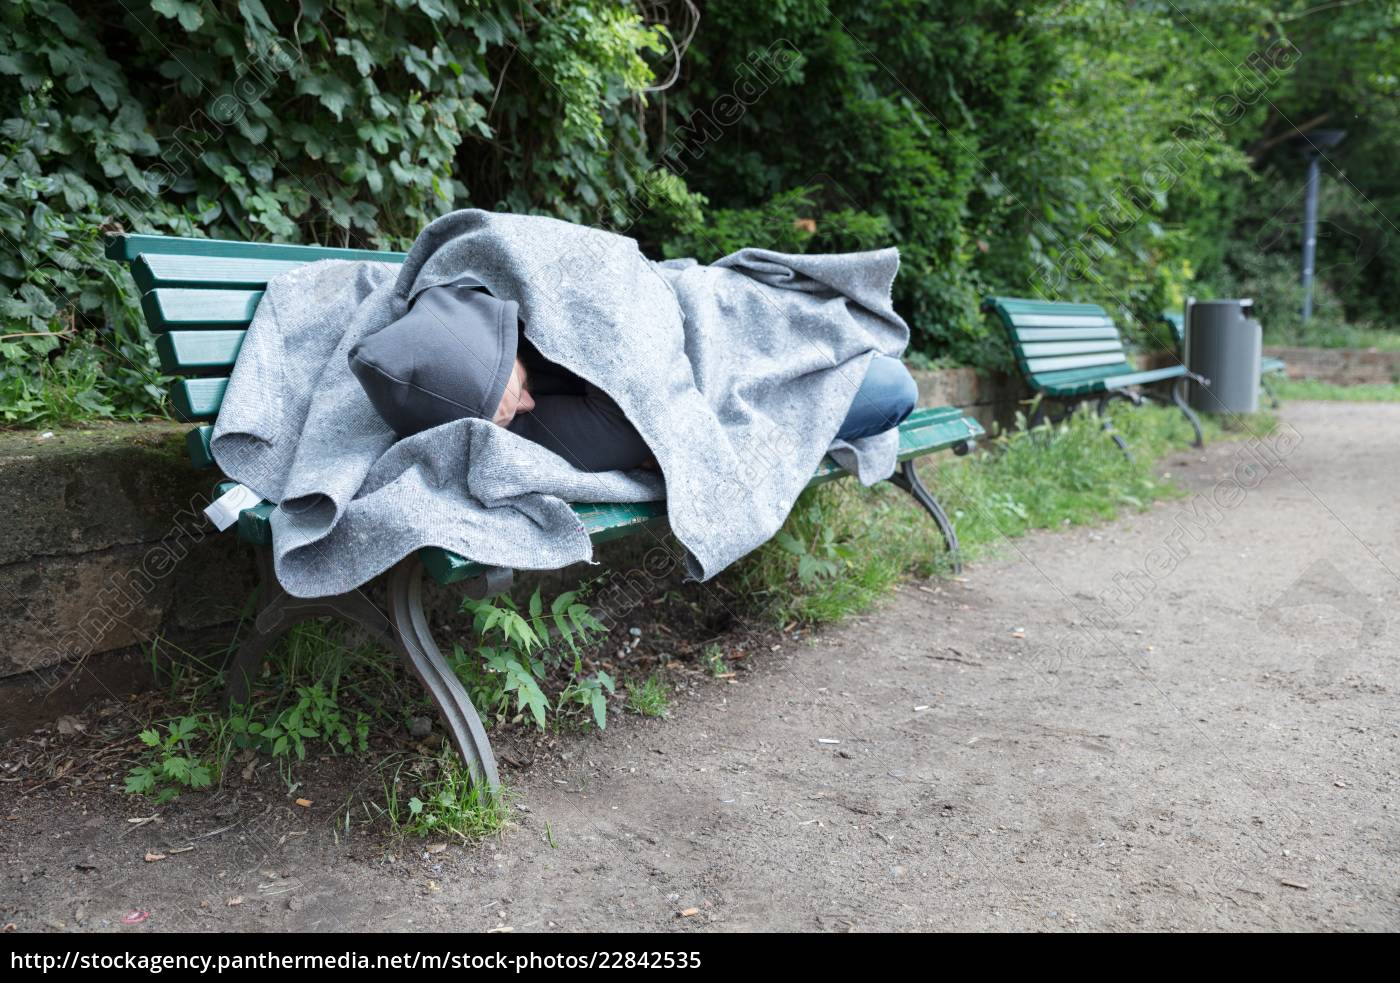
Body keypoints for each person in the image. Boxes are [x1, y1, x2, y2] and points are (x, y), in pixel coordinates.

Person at [349, 276, 917, 473]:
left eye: (514, 391)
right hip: (723, 384)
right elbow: (643, 430)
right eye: (505, 421)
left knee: (849, 337)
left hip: (715, 312)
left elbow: (623, 288)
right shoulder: (523, 422)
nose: (525, 409)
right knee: (893, 389)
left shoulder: (487, 288)